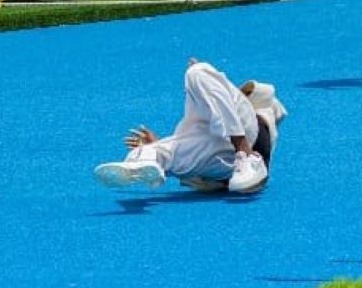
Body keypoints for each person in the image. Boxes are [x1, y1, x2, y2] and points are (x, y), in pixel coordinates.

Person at [93, 61, 286, 194]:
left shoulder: (260, 114)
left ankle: (244, 152)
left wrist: (208, 79)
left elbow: (264, 100)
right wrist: (157, 143)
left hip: (245, 145)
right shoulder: (208, 116)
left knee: (197, 71)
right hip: (223, 164)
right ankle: (142, 162)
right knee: (157, 151)